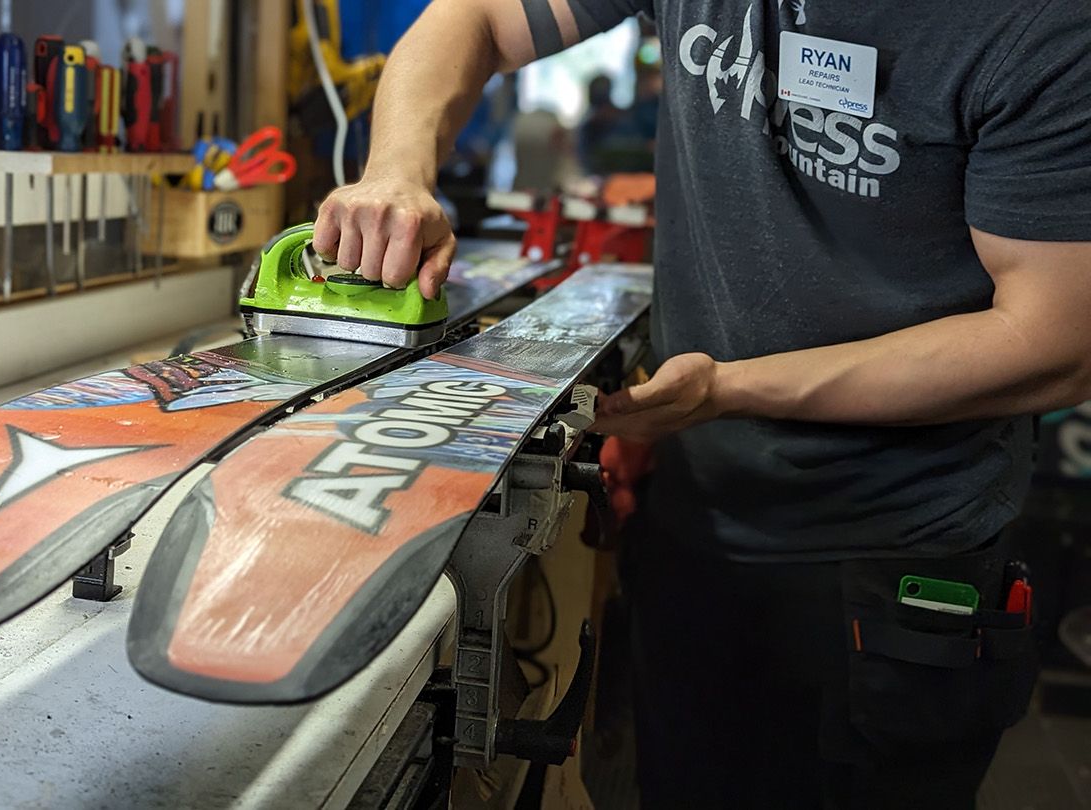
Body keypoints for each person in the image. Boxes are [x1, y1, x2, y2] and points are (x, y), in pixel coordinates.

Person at [309, 0, 1091, 806]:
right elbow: (473, 17)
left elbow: (1056, 346)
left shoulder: (1034, 28)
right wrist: (395, 171)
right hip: (699, 518)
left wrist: (727, 389)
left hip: (890, 562)